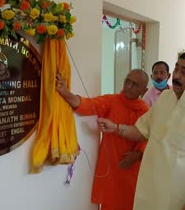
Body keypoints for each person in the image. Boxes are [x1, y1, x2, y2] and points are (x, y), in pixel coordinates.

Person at [98, 50, 185, 210]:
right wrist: (116, 128)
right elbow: (142, 130)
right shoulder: (165, 98)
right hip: (153, 194)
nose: (177, 76)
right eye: (176, 69)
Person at [56, 69, 149, 210]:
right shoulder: (112, 101)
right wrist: (64, 92)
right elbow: (86, 105)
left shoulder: (145, 111)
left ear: (144, 90)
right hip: (111, 166)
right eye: (127, 81)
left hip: (133, 168)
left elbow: (149, 136)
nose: (128, 86)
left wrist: (138, 154)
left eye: (135, 84)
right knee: (109, 201)